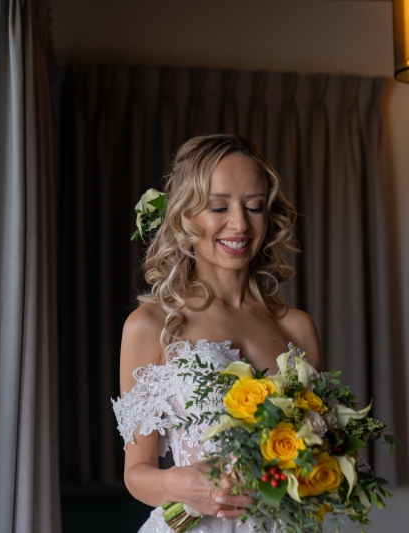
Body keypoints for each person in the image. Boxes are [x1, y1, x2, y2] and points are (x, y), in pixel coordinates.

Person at [112, 134, 322, 532]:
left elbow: (315, 452)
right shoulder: (152, 325)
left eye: (255, 207)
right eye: (218, 206)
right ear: (186, 214)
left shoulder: (297, 327)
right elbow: (136, 474)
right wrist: (179, 484)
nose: (240, 224)